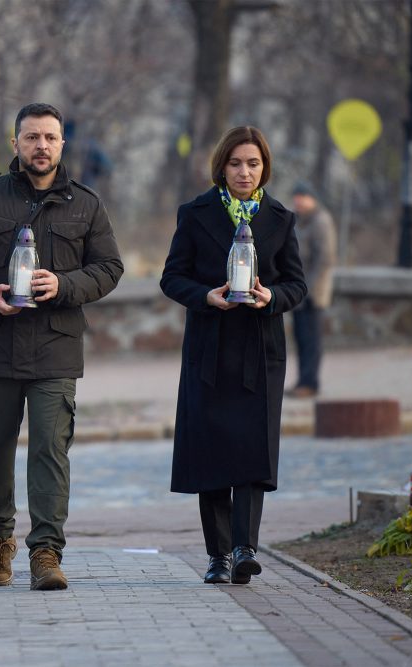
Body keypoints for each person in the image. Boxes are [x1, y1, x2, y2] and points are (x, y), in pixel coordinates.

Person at [0, 102, 123, 590]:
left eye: (49, 137)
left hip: (56, 348)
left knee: (49, 450)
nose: (41, 146)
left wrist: (63, 285)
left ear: (63, 144)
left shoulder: (86, 204)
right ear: (15, 143)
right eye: (31, 137)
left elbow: (109, 268)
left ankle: (46, 554)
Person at [160, 126, 306, 585]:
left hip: (260, 352)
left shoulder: (281, 218)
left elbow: (296, 285)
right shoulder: (195, 213)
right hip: (210, 350)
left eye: (254, 163)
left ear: (265, 168)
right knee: (212, 454)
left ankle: (245, 547)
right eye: (237, 163)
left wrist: (271, 297)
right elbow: (171, 277)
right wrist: (206, 296)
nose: (245, 172)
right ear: (222, 166)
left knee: (252, 450)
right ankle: (217, 556)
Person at [288, 182, 336, 398]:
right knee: (300, 339)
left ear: (312, 199)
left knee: (311, 341)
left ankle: (310, 383)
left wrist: (308, 288)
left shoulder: (321, 221)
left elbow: (324, 259)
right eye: (296, 197)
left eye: (302, 196)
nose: (298, 201)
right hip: (299, 293)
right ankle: (302, 382)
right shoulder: (298, 222)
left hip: (313, 294)